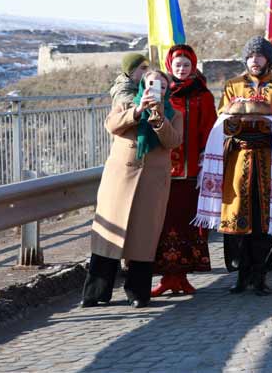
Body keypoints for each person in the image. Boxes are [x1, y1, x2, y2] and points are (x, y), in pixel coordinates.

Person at [82, 69, 182, 308]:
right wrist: (137, 111)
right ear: (142, 86)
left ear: (167, 91)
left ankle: (137, 293)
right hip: (119, 179)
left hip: (152, 181)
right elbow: (112, 125)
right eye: (150, 84)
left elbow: (173, 141)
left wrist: (157, 115)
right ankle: (96, 292)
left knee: (143, 239)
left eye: (162, 86)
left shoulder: (174, 113)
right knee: (107, 236)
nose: (155, 89)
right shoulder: (125, 104)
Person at [213, 36, 272, 295]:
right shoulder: (233, 85)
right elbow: (223, 121)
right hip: (239, 160)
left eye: (260, 56)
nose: (255, 61)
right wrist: (239, 118)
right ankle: (241, 274)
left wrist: (267, 119)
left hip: (269, 159)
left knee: (263, 220)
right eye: (250, 56)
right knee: (239, 221)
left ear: (268, 59)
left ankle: (259, 274)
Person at [151, 45, 216, 297]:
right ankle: (167, 277)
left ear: (193, 67)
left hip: (190, 171)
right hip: (164, 170)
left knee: (187, 223)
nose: (181, 69)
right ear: (170, 67)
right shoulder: (161, 94)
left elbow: (208, 130)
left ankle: (183, 277)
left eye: (186, 65)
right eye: (177, 65)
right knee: (164, 224)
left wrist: (204, 162)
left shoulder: (203, 95)